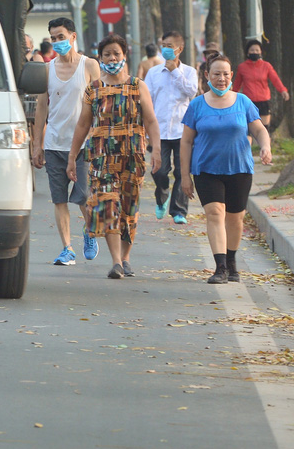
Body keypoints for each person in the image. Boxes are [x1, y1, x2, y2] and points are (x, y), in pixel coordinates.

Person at [67, 34, 161, 279]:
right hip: (102, 159)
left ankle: (126, 258)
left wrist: (157, 150)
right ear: (100, 58)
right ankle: (116, 262)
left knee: (129, 209)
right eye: (107, 54)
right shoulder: (94, 89)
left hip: (133, 156)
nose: (111, 58)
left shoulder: (138, 86)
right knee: (107, 205)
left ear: (124, 56)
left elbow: (150, 120)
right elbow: (82, 126)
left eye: (116, 53)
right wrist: (72, 157)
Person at [181, 53, 272, 284]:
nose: (221, 78)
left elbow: (259, 130)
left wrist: (266, 146)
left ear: (231, 76)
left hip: (239, 169)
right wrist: (184, 176)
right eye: (216, 74)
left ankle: (231, 261)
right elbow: (186, 141)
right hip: (206, 170)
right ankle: (220, 267)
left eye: (225, 74)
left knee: (235, 218)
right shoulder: (197, 105)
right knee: (215, 213)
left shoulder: (243, 102)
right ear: (207, 76)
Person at [32, 17, 102, 266]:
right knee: (59, 199)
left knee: (82, 196)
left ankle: (89, 231)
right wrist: (37, 144)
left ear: (73, 37)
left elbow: (101, 102)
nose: (57, 42)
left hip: (83, 145)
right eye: (53, 38)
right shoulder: (47, 70)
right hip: (54, 144)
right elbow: (41, 108)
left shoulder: (90, 65)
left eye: (61, 37)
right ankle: (67, 249)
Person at [146, 31, 198, 225]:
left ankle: (179, 211)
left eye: (170, 45)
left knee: (182, 172)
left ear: (180, 49)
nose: (166, 49)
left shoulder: (190, 72)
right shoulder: (153, 73)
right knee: (159, 171)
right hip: (159, 131)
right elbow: (147, 100)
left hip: (182, 131)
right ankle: (162, 195)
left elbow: (191, 91)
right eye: (164, 45)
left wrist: (175, 71)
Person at [233, 39, 289, 131]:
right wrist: (232, 96)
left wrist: (283, 90)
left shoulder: (266, 66)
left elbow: (275, 79)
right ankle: (249, 145)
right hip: (248, 101)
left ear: (261, 52)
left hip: (263, 100)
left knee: (264, 127)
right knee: (248, 128)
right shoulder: (242, 67)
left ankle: (265, 145)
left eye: (257, 50)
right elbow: (237, 85)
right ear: (247, 52)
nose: (254, 52)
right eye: (252, 50)